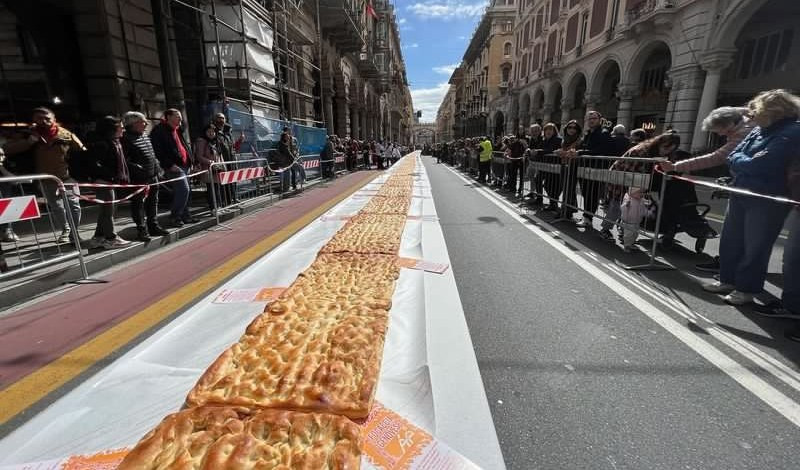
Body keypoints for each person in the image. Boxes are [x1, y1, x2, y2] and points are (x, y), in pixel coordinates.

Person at [703, 89, 800, 305]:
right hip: (741, 191)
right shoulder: (758, 131)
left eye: (755, 110)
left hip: (767, 198)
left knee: (755, 246)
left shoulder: (792, 132)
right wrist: (746, 161)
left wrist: (744, 161)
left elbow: (760, 164)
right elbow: (734, 155)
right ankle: (727, 280)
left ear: (772, 111)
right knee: (731, 240)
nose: (750, 116)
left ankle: (747, 289)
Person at [3, 107, 84, 244]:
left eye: (47, 118)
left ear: (54, 119)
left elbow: (82, 151)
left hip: (67, 177)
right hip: (46, 179)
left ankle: (74, 233)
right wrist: (29, 142)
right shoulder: (27, 135)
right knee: (57, 207)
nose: (44, 121)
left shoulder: (66, 135)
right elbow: (6, 149)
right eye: (40, 118)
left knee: (74, 206)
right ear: (34, 120)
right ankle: (66, 230)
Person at [600, 132, 681, 241]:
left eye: (671, 150)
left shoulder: (659, 154)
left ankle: (625, 233)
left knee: (632, 209)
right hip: (621, 179)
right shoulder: (641, 151)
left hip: (636, 181)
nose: (666, 152)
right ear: (659, 143)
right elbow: (632, 172)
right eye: (665, 147)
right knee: (617, 206)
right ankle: (605, 230)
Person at [121, 112, 169, 241]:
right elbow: (124, 160)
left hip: (152, 176)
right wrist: (136, 168)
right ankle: (141, 229)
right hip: (138, 178)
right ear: (133, 124)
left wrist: (158, 169)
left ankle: (153, 225)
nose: (146, 123)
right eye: (143, 121)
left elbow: (152, 155)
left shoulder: (145, 136)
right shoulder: (125, 139)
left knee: (153, 202)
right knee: (138, 204)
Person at [149, 109, 196, 227]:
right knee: (183, 190)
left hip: (185, 165)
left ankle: (185, 215)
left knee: (187, 192)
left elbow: (184, 146)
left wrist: (191, 161)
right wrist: (169, 165)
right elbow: (158, 151)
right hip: (174, 167)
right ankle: (175, 216)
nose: (180, 119)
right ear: (168, 117)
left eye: (180, 117)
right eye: (177, 116)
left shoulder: (178, 130)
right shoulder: (159, 131)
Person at [576, 110, 617, 228]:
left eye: (594, 118)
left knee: (592, 195)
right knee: (586, 194)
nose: (591, 120)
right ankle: (587, 216)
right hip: (585, 168)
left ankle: (588, 218)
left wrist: (581, 152)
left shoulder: (603, 133)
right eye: (589, 119)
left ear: (599, 120)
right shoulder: (588, 133)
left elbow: (602, 151)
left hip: (596, 169)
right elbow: (584, 147)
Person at [212, 113, 243, 205]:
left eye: (223, 118)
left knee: (233, 180)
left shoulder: (228, 133)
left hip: (231, 160)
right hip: (223, 161)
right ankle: (226, 201)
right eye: (219, 118)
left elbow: (232, 147)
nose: (221, 120)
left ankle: (234, 197)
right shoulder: (214, 132)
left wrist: (240, 141)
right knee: (224, 182)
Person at [195, 123, 224, 212]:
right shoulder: (201, 141)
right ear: (205, 132)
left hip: (217, 168)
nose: (211, 133)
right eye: (209, 132)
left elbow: (219, 155)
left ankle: (219, 206)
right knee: (211, 190)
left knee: (217, 188)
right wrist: (210, 162)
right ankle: (213, 208)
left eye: (213, 132)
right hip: (208, 169)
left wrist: (222, 164)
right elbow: (199, 156)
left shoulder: (216, 142)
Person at [558, 120, 583, 217]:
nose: (572, 130)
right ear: (566, 129)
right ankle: (569, 209)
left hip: (574, 166)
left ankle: (566, 211)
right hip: (564, 164)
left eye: (574, 128)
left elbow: (578, 152)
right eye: (570, 127)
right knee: (565, 187)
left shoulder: (579, 140)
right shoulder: (564, 140)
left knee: (569, 188)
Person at [619, 187, 655, 252]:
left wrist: (649, 213)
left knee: (635, 234)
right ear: (633, 193)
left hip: (637, 221)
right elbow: (622, 208)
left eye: (642, 192)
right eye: (640, 192)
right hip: (629, 221)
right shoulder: (629, 199)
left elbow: (643, 210)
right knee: (628, 234)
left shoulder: (641, 201)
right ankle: (626, 245)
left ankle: (631, 244)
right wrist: (626, 205)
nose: (642, 194)